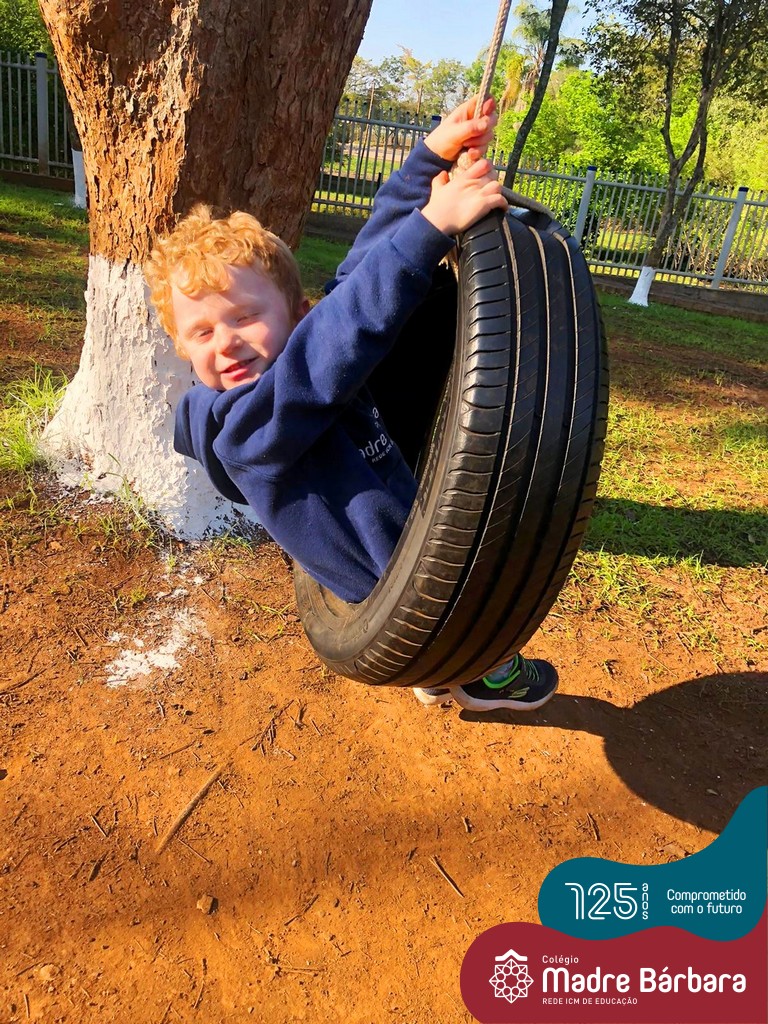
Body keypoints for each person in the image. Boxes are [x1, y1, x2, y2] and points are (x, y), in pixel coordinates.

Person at [145, 96, 558, 713]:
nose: (224, 342)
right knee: (487, 604)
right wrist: (431, 227)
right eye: (201, 332)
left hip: (404, 537)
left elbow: (362, 265)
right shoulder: (245, 428)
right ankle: (479, 672)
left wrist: (429, 158)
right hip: (400, 590)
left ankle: (434, 672)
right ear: (182, 348)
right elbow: (335, 341)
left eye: (245, 317)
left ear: (298, 314)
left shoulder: (300, 360)